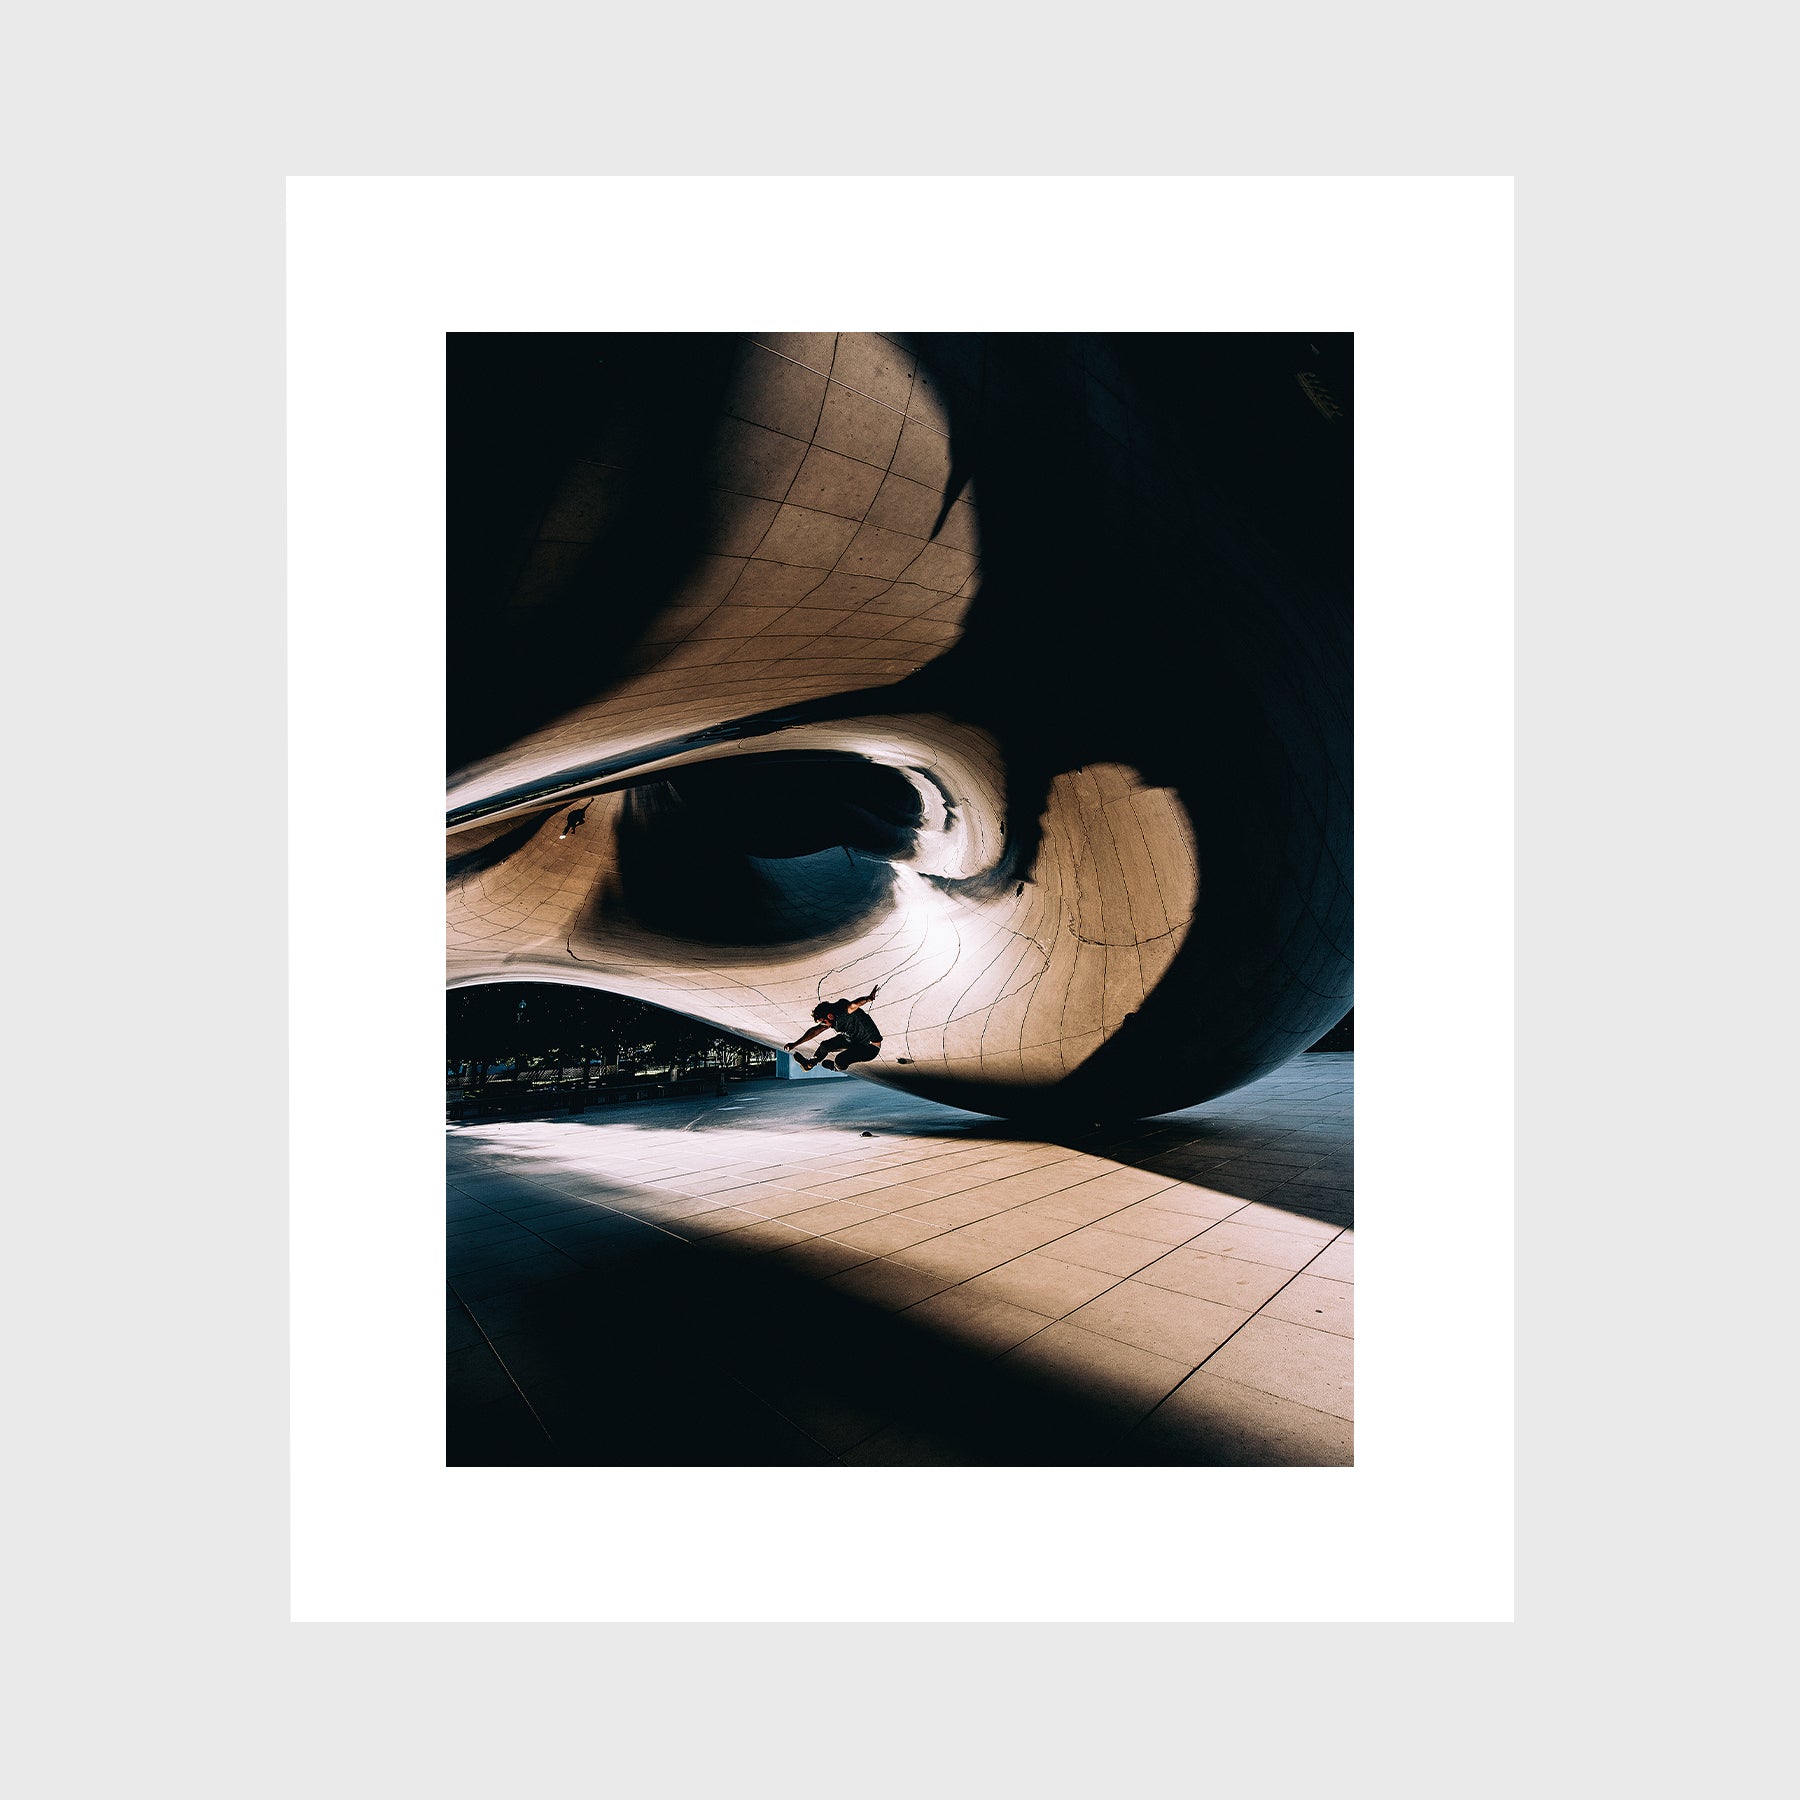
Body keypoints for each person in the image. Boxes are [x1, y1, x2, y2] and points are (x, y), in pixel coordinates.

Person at [784, 986, 883, 1072]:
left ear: (830, 1016)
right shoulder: (831, 1017)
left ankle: (835, 1067)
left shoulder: (844, 1010)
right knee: (824, 1046)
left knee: (840, 1060)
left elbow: (854, 1004)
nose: (824, 1025)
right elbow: (814, 1031)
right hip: (851, 1039)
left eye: (824, 1022)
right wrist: (794, 1044)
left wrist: (868, 998)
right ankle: (809, 1064)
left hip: (870, 1048)